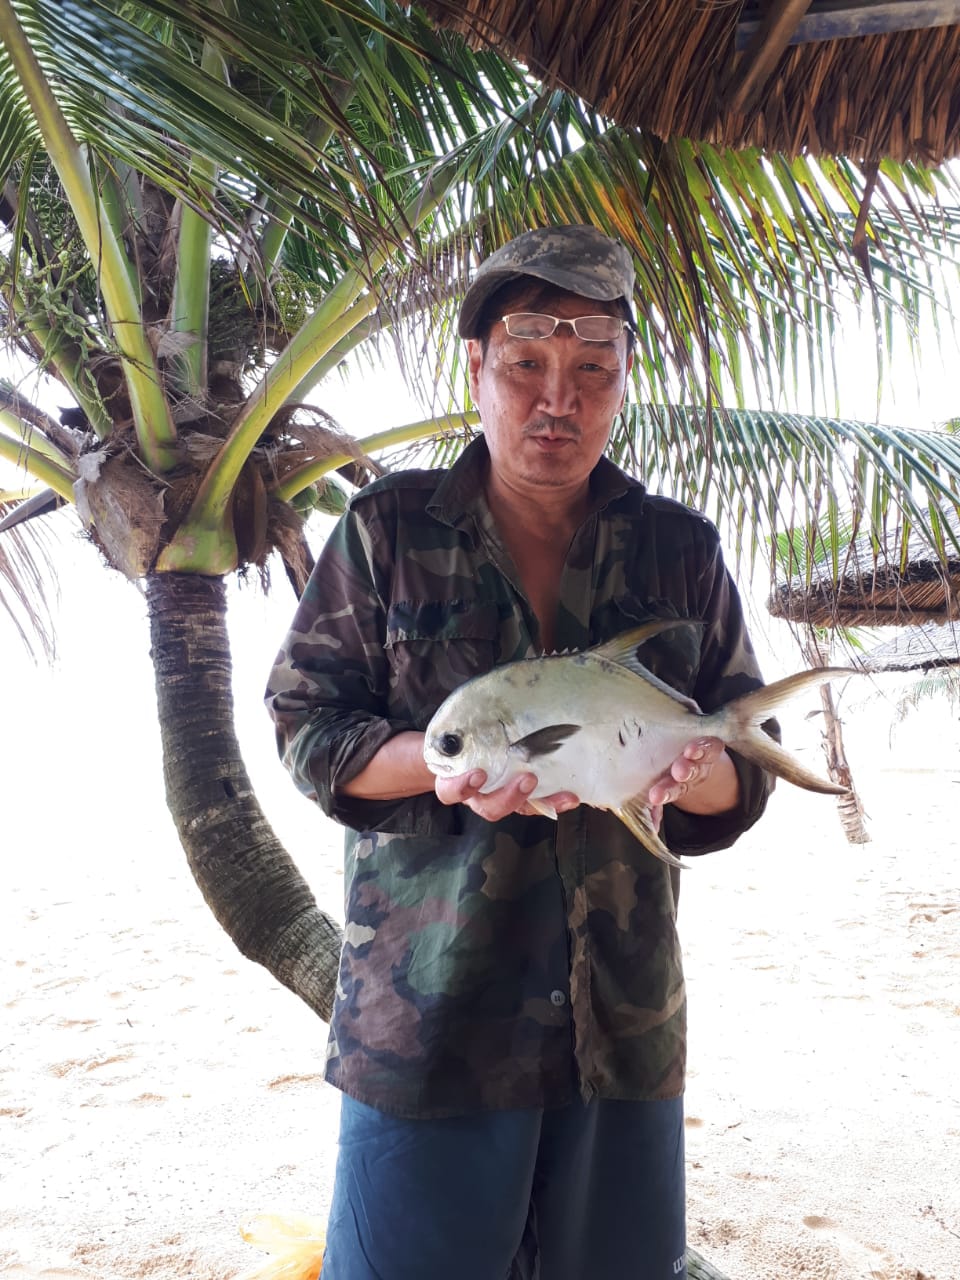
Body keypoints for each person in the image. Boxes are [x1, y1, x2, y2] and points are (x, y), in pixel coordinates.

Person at [265, 224, 775, 1280]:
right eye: (526, 364)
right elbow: (307, 724)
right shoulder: (387, 531)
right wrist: (442, 766)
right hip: (430, 1026)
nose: (559, 400)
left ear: (623, 381)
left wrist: (693, 769)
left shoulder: (680, 549)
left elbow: (745, 763)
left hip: (621, 1022)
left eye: (593, 371)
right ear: (476, 368)